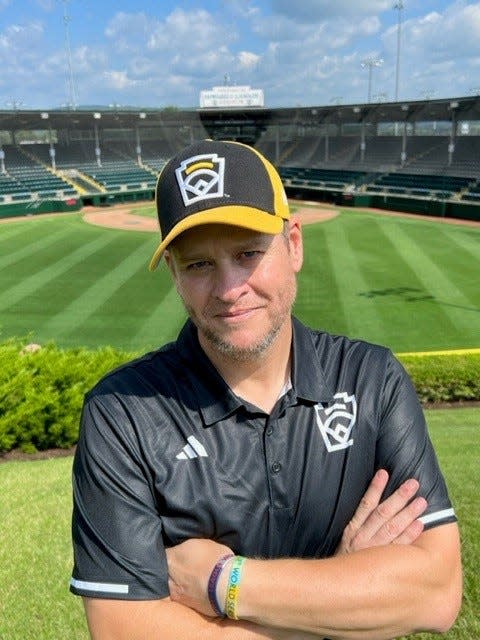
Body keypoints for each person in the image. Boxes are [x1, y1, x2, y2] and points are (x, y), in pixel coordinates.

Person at [70, 139, 462, 640]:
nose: (230, 288)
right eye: (198, 265)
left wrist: (225, 584)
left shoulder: (372, 379)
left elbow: (436, 593)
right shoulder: (121, 414)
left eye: (248, 253)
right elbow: (123, 631)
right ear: (173, 272)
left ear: (294, 244)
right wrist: (341, 600)